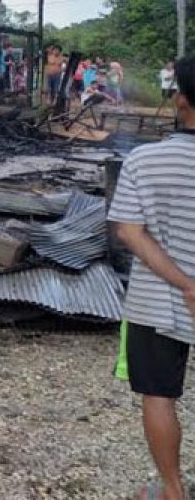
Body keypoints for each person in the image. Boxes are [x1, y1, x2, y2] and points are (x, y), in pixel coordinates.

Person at [107, 56, 195, 500]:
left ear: (180, 101)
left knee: (159, 396)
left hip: (157, 302)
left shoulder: (145, 159)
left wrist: (186, 284)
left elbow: (127, 231)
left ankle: (172, 490)